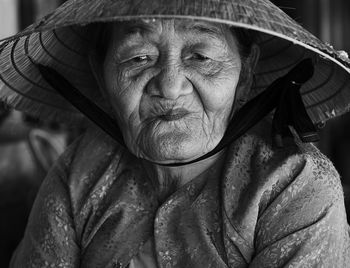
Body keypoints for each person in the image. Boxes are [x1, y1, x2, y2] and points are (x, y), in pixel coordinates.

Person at [0, 0, 349, 267]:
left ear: (245, 74)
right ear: (101, 76)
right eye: (138, 58)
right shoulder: (79, 172)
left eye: (200, 56)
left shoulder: (294, 184)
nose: (169, 86)